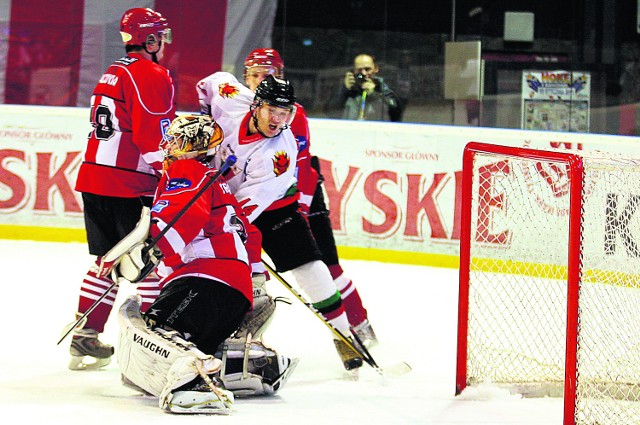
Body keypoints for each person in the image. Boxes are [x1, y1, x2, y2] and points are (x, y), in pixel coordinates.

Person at [111, 114, 296, 414]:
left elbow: (185, 216)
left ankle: (196, 383)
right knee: (187, 342)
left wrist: (150, 251)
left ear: (191, 145)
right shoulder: (218, 183)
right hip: (233, 292)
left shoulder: (186, 170)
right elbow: (251, 235)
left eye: (176, 139)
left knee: (157, 331)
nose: (169, 144)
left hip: (203, 280)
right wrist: (256, 286)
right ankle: (252, 365)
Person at [196, 72, 364, 371]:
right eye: (272, 110)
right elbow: (210, 82)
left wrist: (213, 221)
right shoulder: (232, 98)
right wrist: (205, 119)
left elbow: (242, 213)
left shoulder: (279, 154)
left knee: (311, 268)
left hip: (274, 209)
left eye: (285, 113)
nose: (278, 119)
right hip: (224, 198)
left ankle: (343, 333)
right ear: (255, 105)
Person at [241, 48, 378, 347]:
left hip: (299, 194)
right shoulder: (236, 109)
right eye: (254, 75)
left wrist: (301, 207)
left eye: (268, 74)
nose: (260, 80)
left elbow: (302, 167)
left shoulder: (292, 114)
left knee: (327, 265)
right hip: (259, 200)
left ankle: (359, 328)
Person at [67, 7, 176, 371]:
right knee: (147, 264)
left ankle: (85, 333)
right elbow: (152, 135)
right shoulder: (152, 74)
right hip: (127, 184)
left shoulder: (113, 71)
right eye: (160, 36)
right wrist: (172, 175)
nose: (164, 43)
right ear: (149, 39)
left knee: (109, 260)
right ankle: (157, 342)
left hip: (94, 180)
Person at [342, 53, 402, 122]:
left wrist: (374, 94)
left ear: (375, 69)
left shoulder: (383, 88)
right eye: (359, 70)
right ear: (354, 71)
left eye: (367, 69)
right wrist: (346, 90)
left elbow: (395, 113)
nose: (364, 74)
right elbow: (330, 113)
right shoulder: (350, 89)